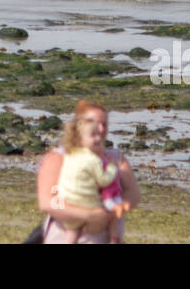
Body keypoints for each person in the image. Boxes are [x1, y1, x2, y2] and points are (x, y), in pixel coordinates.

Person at [35, 99, 140, 244]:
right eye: (93, 122)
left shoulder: (116, 158)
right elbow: (49, 201)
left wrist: (113, 209)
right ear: (78, 126)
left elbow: (133, 195)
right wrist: (87, 215)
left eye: (104, 124)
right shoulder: (59, 157)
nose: (100, 128)